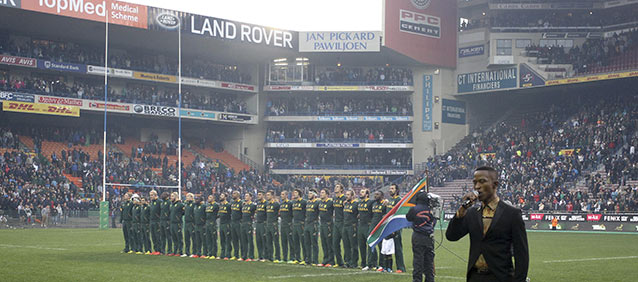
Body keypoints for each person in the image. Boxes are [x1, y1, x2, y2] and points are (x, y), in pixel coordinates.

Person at [446, 166, 529, 282]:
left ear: (495, 185)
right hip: (475, 277)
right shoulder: (472, 214)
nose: (477, 187)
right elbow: (451, 236)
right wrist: (461, 211)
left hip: (501, 277)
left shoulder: (512, 214)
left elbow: (522, 254)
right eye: (475, 182)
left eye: (482, 181)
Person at [406, 192, 436, 282]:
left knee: (418, 261)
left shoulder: (414, 209)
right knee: (429, 262)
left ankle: (417, 280)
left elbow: (409, 218)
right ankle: (430, 279)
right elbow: (433, 221)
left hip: (418, 236)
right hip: (429, 237)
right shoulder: (431, 210)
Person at [388, 184, 406, 273]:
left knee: (397, 247)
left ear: (397, 190)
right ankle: (387, 267)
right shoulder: (390, 200)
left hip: (395, 227)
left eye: (392, 189)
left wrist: (396, 228)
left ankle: (401, 267)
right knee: (387, 247)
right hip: (388, 227)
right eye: (390, 188)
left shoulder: (399, 200)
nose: (390, 190)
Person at [370, 191, 388, 271]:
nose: (375, 196)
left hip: (381, 228)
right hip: (373, 227)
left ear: (382, 196)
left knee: (381, 246)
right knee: (372, 244)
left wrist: (387, 201)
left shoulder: (384, 204)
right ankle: (373, 263)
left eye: (377, 194)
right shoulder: (373, 204)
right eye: (375, 194)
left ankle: (382, 264)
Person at [357, 188, 374, 270]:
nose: (360, 193)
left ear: (367, 194)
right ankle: (363, 263)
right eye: (360, 192)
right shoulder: (359, 202)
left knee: (370, 244)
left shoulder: (371, 202)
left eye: (362, 192)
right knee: (361, 245)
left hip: (368, 225)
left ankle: (371, 263)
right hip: (360, 225)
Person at [342, 189, 359, 268]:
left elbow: (360, 214)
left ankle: (354, 262)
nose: (346, 196)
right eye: (346, 194)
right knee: (346, 245)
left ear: (352, 196)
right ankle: (347, 261)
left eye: (348, 195)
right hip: (345, 226)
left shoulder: (356, 204)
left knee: (353, 245)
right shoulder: (346, 204)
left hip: (352, 226)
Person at [318, 188, 334, 267]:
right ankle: (325, 260)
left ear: (327, 194)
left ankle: (331, 261)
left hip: (328, 225)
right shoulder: (320, 202)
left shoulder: (330, 202)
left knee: (329, 243)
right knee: (323, 243)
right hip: (322, 224)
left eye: (323, 192)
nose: (321, 194)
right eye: (321, 192)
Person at [304, 189, 320, 265]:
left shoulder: (317, 202)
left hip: (313, 224)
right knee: (307, 242)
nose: (308, 195)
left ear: (314, 195)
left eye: (310, 194)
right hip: (307, 223)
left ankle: (315, 260)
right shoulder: (308, 202)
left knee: (314, 242)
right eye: (308, 193)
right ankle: (308, 259)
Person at [291, 189, 307, 264]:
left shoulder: (304, 202)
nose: (294, 194)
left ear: (299, 194)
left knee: (303, 241)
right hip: (295, 223)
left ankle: (305, 258)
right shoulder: (293, 202)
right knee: (295, 241)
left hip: (301, 223)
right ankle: (297, 258)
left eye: (296, 193)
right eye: (294, 193)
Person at [332, 184, 346, 267]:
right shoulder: (334, 199)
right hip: (336, 222)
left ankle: (348, 262)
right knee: (335, 243)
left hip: (343, 222)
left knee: (345, 243)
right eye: (335, 186)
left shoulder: (344, 198)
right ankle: (339, 262)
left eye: (337, 187)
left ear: (341, 189)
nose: (335, 188)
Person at [265, 190, 281, 262]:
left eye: (268, 195)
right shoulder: (267, 204)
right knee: (268, 241)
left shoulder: (276, 204)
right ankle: (270, 257)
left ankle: (277, 257)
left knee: (276, 241)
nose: (267, 196)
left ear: (272, 196)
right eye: (266, 195)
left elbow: (280, 212)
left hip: (274, 224)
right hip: (268, 224)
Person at [240, 193, 256, 261]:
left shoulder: (253, 205)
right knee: (243, 240)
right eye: (245, 196)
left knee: (250, 240)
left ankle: (251, 256)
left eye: (247, 196)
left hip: (248, 223)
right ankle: (244, 256)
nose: (245, 197)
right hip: (243, 223)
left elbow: (254, 214)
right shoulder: (243, 205)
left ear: (250, 197)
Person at [169, 192, 185, 257]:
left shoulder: (180, 204)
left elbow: (184, 212)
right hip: (172, 223)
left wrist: (178, 217)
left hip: (177, 223)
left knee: (179, 238)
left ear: (176, 197)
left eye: (172, 196)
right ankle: (175, 251)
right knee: (174, 238)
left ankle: (180, 251)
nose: (171, 197)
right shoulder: (172, 205)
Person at [280, 190, 294, 263]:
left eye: (283, 194)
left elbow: (292, 213)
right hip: (282, 224)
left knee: (290, 241)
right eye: (281, 194)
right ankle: (284, 257)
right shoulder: (281, 204)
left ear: (286, 195)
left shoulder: (290, 203)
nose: (281, 196)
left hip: (289, 224)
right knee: (283, 242)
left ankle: (292, 257)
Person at [205, 194, 219, 259]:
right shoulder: (207, 205)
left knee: (213, 239)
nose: (208, 198)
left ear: (213, 198)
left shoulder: (216, 205)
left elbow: (218, 214)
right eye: (208, 197)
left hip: (212, 223)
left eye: (210, 197)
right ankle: (209, 253)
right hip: (207, 223)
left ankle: (214, 254)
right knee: (208, 239)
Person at [218, 193, 232, 260]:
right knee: (222, 240)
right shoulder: (221, 205)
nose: (220, 197)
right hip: (221, 224)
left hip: (226, 224)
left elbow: (231, 214)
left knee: (227, 240)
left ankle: (228, 254)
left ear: (226, 197)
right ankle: (222, 254)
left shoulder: (228, 205)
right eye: (220, 196)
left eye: (222, 196)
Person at [255, 191, 268, 261]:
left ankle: (266, 256)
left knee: (264, 240)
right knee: (258, 240)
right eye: (258, 195)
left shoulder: (266, 203)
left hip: (263, 223)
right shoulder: (258, 204)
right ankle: (260, 256)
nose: (258, 196)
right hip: (258, 223)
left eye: (260, 195)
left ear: (263, 195)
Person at [230, 191, 243, 260]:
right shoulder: (232, 203)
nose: (233, 195)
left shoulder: (241, 203)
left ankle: (243, 255)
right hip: (233, 222)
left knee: (241, 239)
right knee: (234, 239)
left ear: (238, 195)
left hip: (238, 222)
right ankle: (236, 255)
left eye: (234, 194)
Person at [149, 190, 162, 255]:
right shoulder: (151, 202)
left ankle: (159, 250)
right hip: (152, 221)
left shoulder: (159, 202)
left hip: (157, 221)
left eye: (152, 195)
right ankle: (155, 249)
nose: (150, 196)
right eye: (150, 195)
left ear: (155, 195)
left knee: (157, 236)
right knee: (153, 236)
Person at [183, 193, 196, 257]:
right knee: (186, 238)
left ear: (192, 197)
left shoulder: (193, 204)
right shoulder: (186, 204)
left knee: (193, 238)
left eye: (188, 196)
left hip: (191, 223)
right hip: (186, 223)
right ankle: (187, 252)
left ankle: (194, 252)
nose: (187, 197)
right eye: (186, 196)